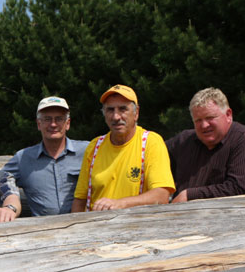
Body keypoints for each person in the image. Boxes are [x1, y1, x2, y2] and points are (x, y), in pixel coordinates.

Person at [71, 84, 175, 212]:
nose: (116, 117)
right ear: (104, 114)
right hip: (97, 227)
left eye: (123, 109)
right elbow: (80, 199)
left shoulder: (151, 142)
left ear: (136, 113)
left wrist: (120, 203)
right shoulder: (94, 146)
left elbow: (161, 196)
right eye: (110, 110)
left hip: (138, 227)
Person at [165, 87, 245, 203]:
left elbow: (241, 189)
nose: (204, 125)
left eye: (210, 118)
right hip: (178, 217)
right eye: (198, 120)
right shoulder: (184, 140)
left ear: (228, 115)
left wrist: (189, 195)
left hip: (227, 218)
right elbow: (152, 156)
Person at [3, 96, 88, 216]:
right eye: (47, 119)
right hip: (42, 231)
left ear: (67, 124)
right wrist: (10, 204)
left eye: (59, 119)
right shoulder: (23, 158)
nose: (53, 124)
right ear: (39, 124)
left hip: (84, 227)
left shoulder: (87, 151)